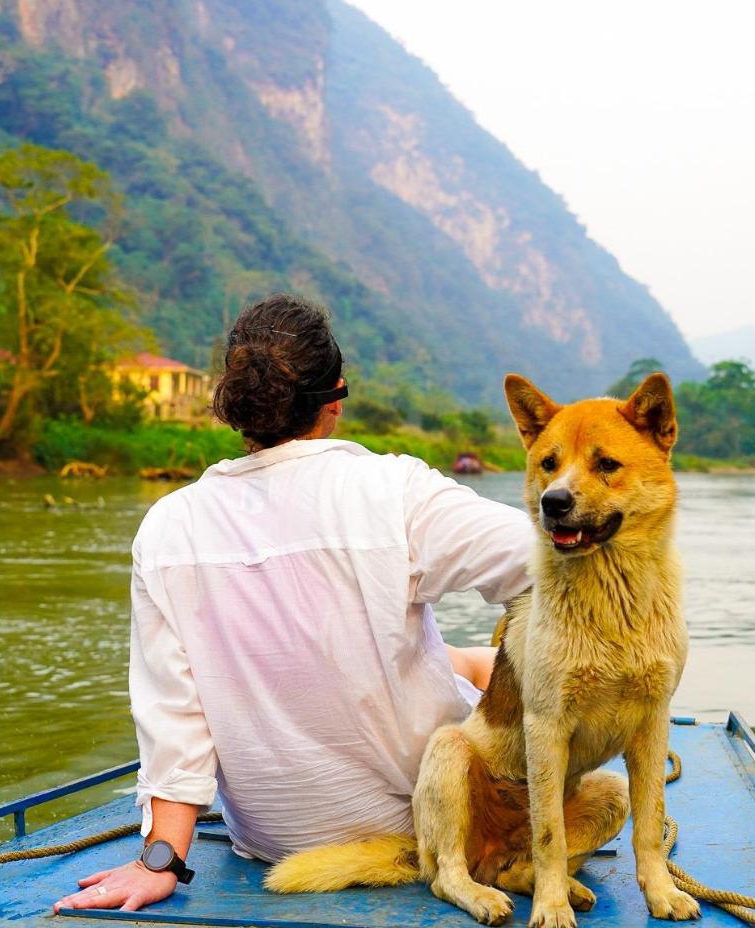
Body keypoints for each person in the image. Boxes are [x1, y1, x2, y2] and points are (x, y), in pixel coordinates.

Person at [53, 294, 532, 914]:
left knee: (460, 660)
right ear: (334, 397)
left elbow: (177, 715)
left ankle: (465, 663)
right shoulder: (394, 490)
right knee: (497, 652)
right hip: (428, 821)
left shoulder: (169, 526)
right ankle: (470, 665)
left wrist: (160, 860)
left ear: (237, 403)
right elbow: (547, 561)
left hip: (280, 843)